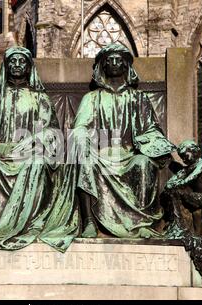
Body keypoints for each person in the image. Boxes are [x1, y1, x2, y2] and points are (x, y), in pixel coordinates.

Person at [0, 47, 79, 252]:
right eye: (12, 61)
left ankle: (29, 220)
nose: (17, 65)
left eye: (22, 61)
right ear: (6, 67)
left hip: (29, 154)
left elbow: (53, 132)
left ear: (29, 67)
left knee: (37, 162)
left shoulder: (40, 98)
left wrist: (37, 138)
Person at [72, 44, 175, 238]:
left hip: (129, 155)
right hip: (100, 154)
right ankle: (89, 222)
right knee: (86, 161)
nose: (114, 63)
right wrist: (83, 139)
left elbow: (151, 128)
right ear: (102, 67)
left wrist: (156, 144)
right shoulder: (92, 98)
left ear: (126, 66)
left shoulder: (138, 99)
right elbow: (80, 127)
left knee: (143, 163)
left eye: (118, 59)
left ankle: (141, 223)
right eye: (109, 60)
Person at [163, 140, 202, 237]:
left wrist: (180, 183)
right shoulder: (188, 168)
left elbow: (191, 177)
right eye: (182, 158)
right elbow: (175, 178)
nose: (184, 160)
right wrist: (171, 183)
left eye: (185, 156)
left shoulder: (201, 164)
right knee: (197, 214)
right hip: (198, 195)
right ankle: (179, 225)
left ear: (194, 151)